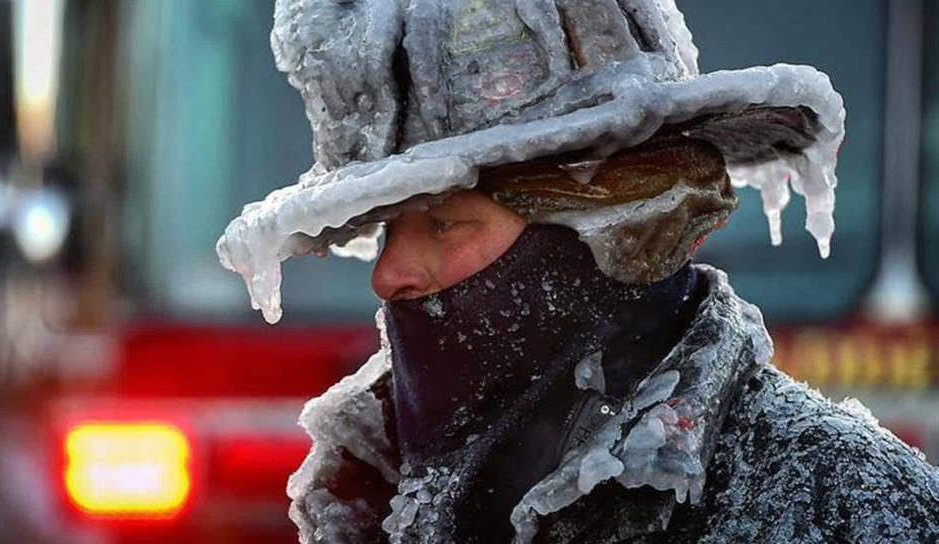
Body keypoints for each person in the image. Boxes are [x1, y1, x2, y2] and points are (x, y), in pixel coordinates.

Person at [217, 1, 939, 542]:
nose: (390, 274)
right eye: (386, 230)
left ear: (613, 232)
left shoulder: (845, 506)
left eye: (442, 222)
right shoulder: (371, 492)